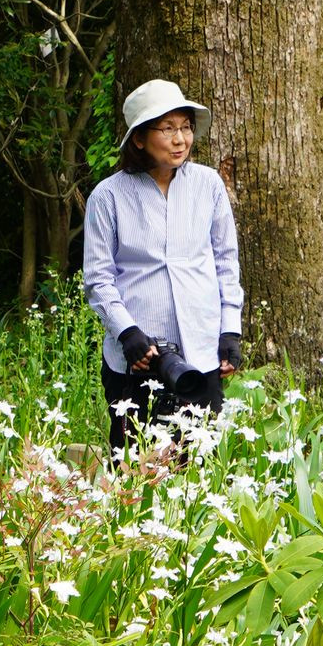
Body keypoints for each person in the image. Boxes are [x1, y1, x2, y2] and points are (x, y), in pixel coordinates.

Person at [82, 80, 244, 454]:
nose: (180, 139)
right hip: (138, 358)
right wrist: (127, 333)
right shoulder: (108, 196)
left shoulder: (208, 185)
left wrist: (230, 331)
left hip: (201, 352)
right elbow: (99, 278)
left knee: (198, 463)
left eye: (185, 127)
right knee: (134, 465)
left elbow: (225, 262)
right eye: (167, 128)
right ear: (139, 138)